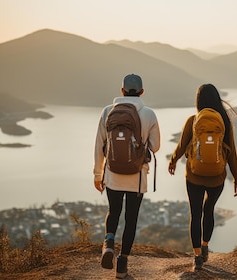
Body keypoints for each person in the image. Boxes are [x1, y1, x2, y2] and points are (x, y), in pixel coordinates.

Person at [93, 73, 160, 279]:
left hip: (112, 175)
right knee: (131, 219)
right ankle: (122, 264)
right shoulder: (149, 114)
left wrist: (98, 174)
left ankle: (108, 244)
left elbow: (100, 146)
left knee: (113, 211)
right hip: (137, 177)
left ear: (121, 91)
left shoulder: (107, 112)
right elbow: (155, 146)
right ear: (142, 91)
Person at [168, 83, 237, 270]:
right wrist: (236, 178)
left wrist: (173, 160)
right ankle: (206, 246)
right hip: (217, 177)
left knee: (195, 213)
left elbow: (182, 144)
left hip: (194, 175)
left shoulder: (193, 120)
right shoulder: (224, 123)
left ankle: (197, 256)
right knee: (208, 210)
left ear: (198, 101)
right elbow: (232, 152)